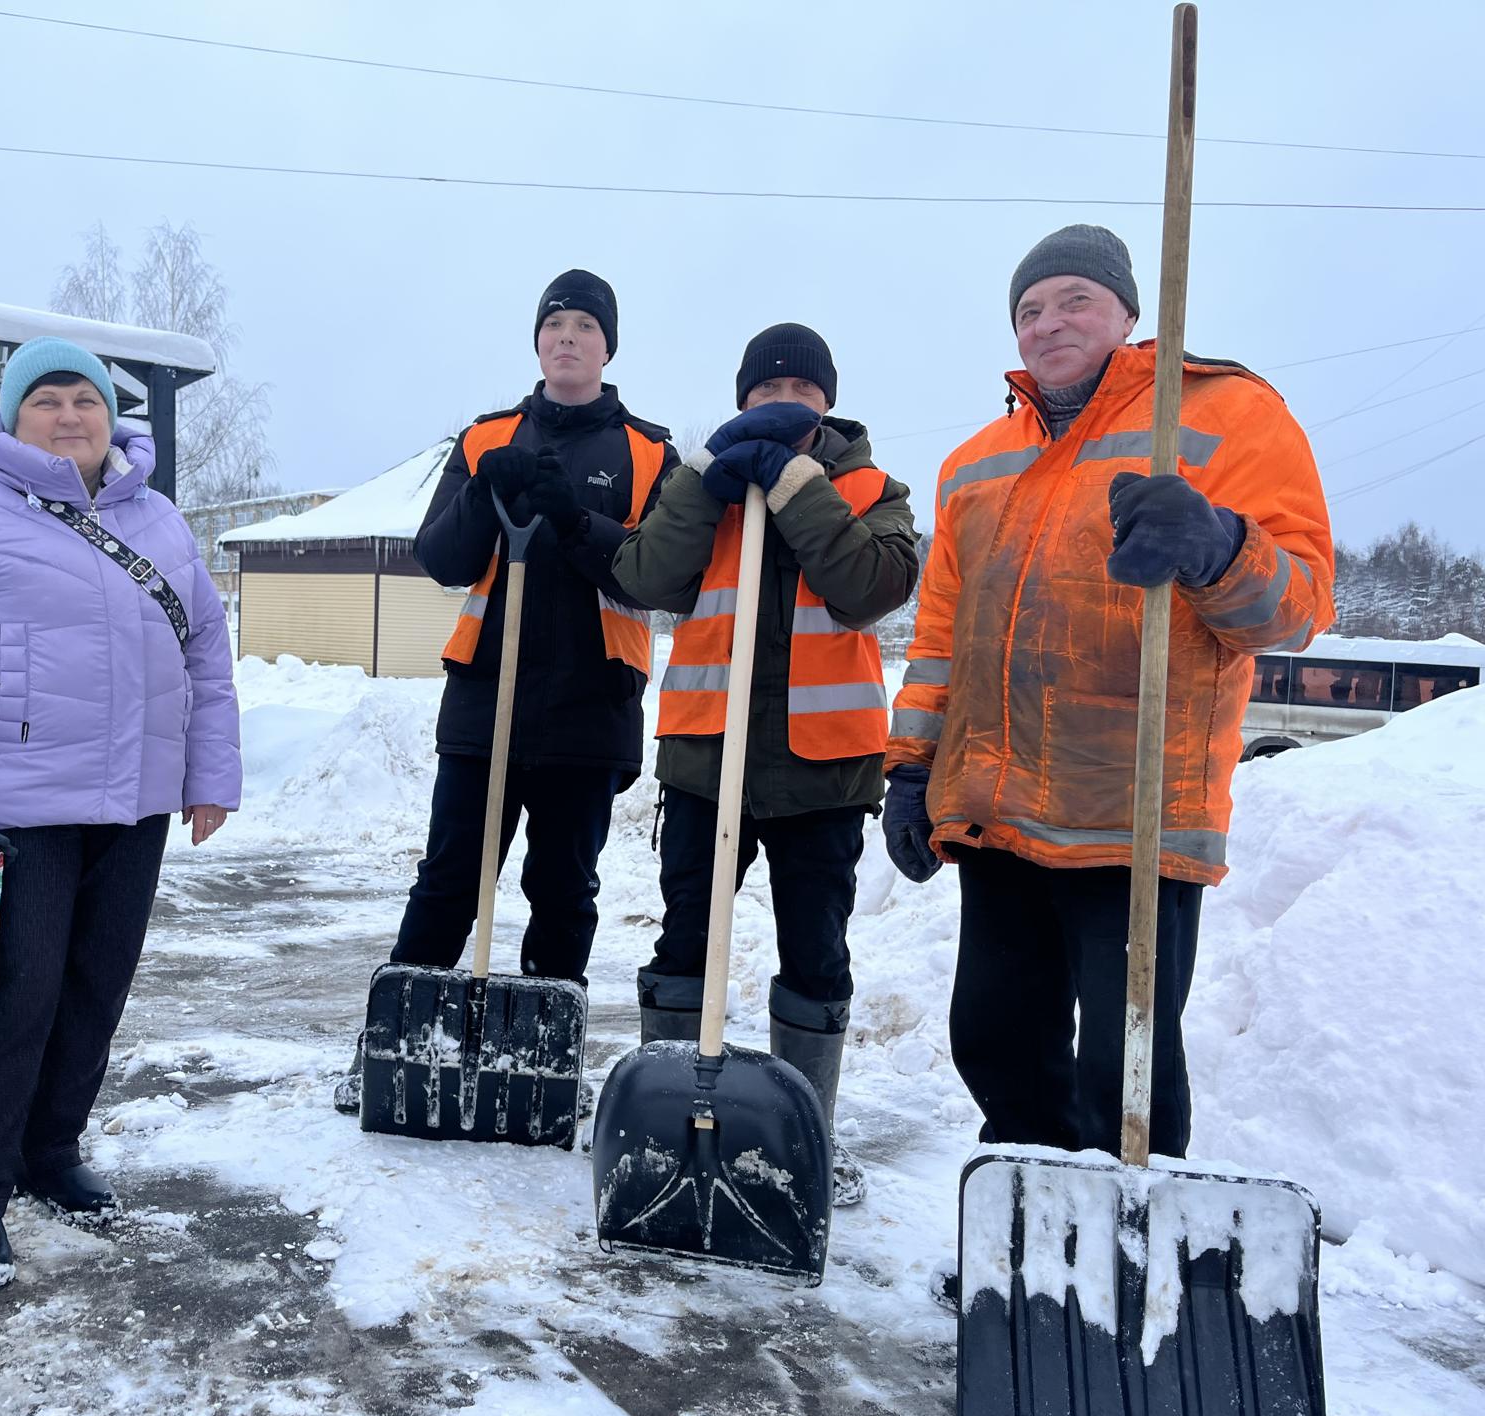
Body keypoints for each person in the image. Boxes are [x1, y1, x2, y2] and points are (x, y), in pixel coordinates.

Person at [884, 224, 1335, 1173]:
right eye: (1029, 310)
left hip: (1134, 811)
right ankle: (1030, 1245)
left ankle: (1128, 1262)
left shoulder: (1222, 414)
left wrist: (1217, 545)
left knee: (1127, 1076)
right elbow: (939, 638)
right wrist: (912, 768)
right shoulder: (975, 462)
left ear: (1128, 311)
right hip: (997, 809)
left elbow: (1295, 606)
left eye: (1073, 300)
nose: (1048, 324)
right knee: (996, 1042)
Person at [0, 336, 241, 1289]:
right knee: (9, 1006)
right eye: (48, 400)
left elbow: (205, 658)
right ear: (11, 416)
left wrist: (209, 775)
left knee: (94, 991)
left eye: (87, 400)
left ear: (113, 417)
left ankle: (50, 1152)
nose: (70, 416)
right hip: (12, 808)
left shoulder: (159, 522)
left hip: (136, 804)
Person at [333, 269, 677, 1114]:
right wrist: (490, 494)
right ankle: (387, 1048)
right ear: (537, 341)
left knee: (564, 891)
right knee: (450, 880)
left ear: (608, 345)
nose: (568, 337)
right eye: (554, 324)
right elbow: (443, 560)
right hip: (486, 705)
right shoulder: (486, 438)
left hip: (590, 708)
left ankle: (541, 1062)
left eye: (585, 326)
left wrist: (576, 522)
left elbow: (659, 581)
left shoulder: (648, 452)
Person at [612, 324, 920, 1205]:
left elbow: (870, 587)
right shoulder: (700, 485)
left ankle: (804, 1132)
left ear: (828, 399)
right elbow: (646, 576)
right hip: (710, 760)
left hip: (825, 772)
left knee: (815, 953)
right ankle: (664, 1118)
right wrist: (703, 488)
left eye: (801, 386)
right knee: (683, 942)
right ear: (743, 397)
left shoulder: (871, 489)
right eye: (766, 387)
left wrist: (792, 484)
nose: (783, 398)